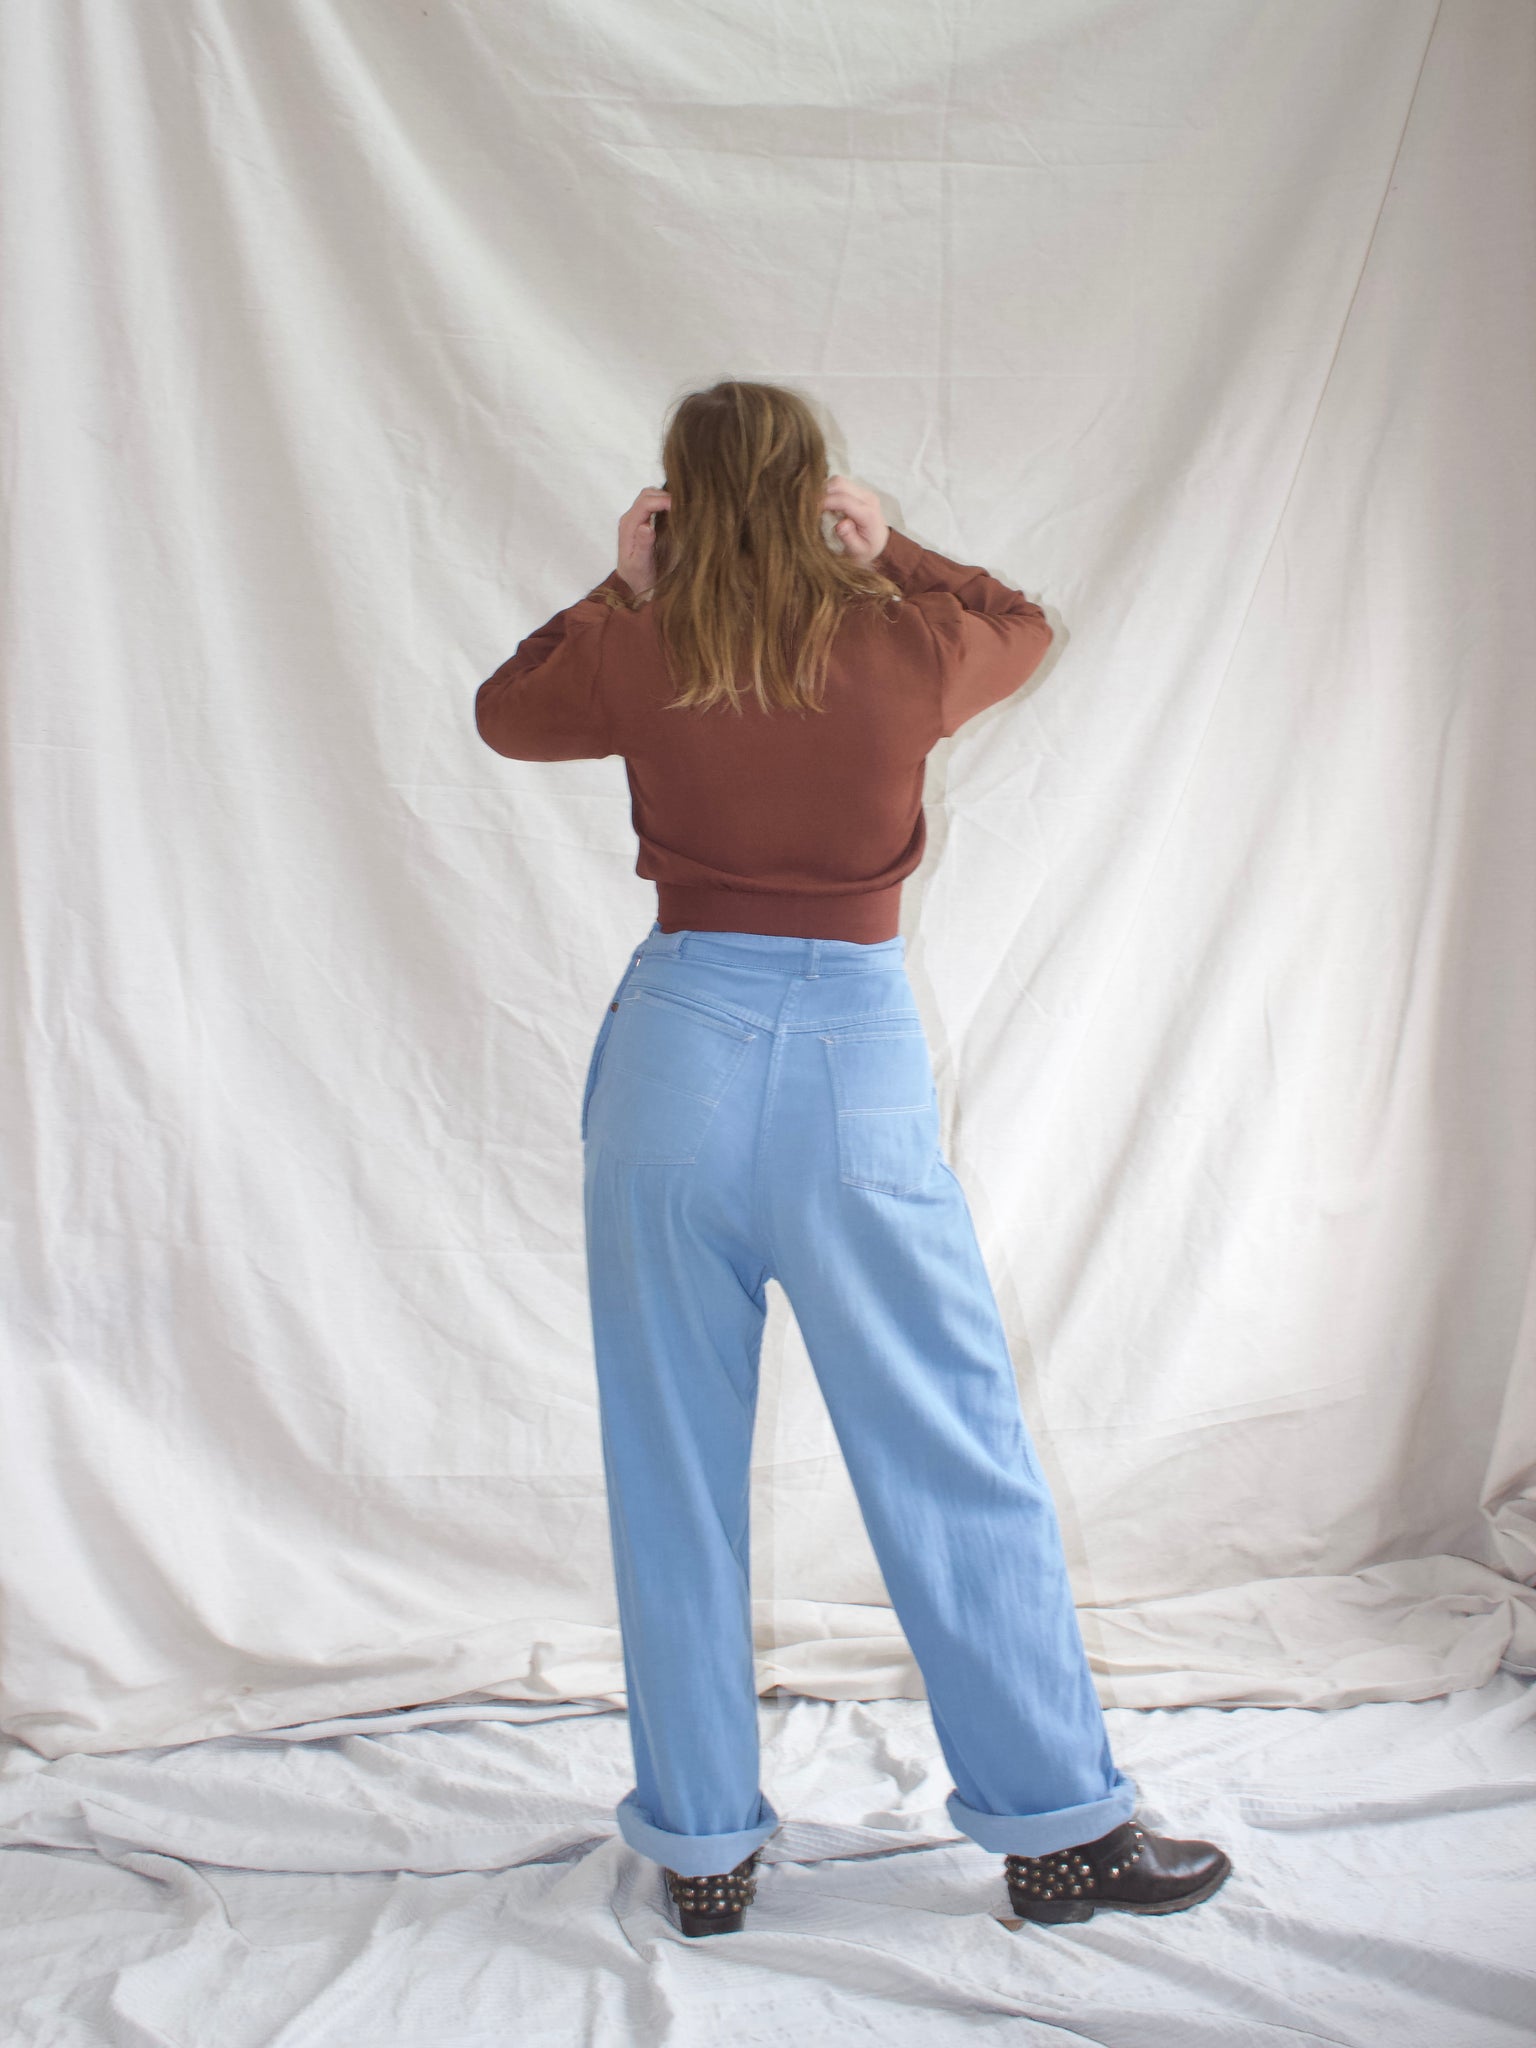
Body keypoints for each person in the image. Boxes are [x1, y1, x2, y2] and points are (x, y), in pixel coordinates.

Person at [474, 379, 1230, 1938]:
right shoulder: (902, 641)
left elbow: (504, 710)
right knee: (951, 1442)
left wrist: (623, 583)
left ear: (678, 498)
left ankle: (701, 1852)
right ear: (817, 490)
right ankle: (1060, 1835)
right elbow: (1019, 621)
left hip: (678, 1047)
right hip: (850, 1064)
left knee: (670, 1463)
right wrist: (892, 549)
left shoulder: (642, 646)